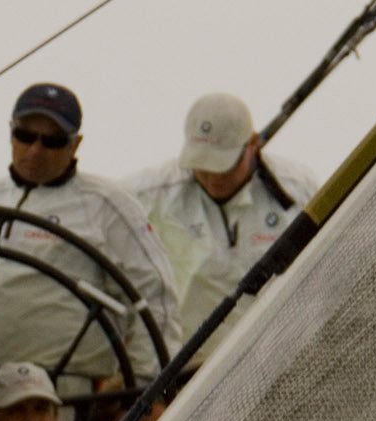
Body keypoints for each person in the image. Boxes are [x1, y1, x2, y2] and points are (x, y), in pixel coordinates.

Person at [0, 82, 180, 389]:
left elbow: (153, 297)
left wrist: (146, 387)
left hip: (57, 392)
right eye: (25, 135)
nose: (35, 149)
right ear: (10, 133)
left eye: (52, 141)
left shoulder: (109, 206)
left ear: (75, 145)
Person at [127, 93, 324, 359]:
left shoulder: (300, 191)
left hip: (279, 358)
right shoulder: (145, 194)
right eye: (202, 165)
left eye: (223, 166)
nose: (212, 177)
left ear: (253, 144)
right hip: (182, 371)